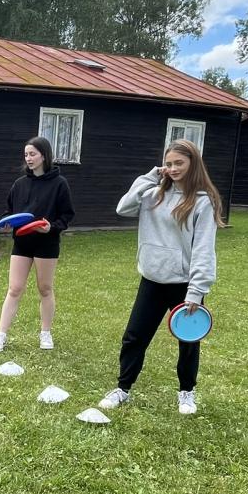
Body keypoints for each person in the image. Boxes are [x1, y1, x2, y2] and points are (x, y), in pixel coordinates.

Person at [97, 139, 222, 415]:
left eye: (179, 163)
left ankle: (187, 392)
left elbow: (204, 250)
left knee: (188, 342)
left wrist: (196, 291)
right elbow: (123, 208)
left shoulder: (203, 202)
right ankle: (123, 388)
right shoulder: (152, 194)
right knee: (134, 337)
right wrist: (150, 177)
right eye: (169, 163)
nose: (173, 168)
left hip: (185, 285)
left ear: (193, 164)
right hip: (152, 280)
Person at [0, 136, 75, 352]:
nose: (28, 158)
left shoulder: (59, 183)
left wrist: (51, 227)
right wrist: (7, 222)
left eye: (33, 154)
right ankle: (1, 335)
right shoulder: (19, 184)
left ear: (44, 156)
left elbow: (66, 215)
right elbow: (9, 211)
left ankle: (45, 333)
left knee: (45, 289)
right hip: (22, 243)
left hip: (46, 243)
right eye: (26, 154)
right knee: (14, 288)